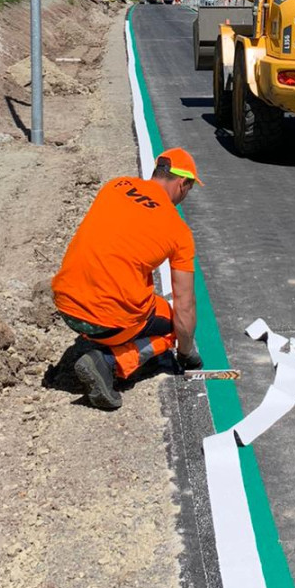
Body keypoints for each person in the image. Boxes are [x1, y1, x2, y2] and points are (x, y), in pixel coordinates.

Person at [51, 148, 203, 411]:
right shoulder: (179, 232)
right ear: (182, 183)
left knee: (130, 292)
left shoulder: (116, 186)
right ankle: (110, 361)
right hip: (106, 320)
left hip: (66, 305)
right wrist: (186, 352)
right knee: (174, 325)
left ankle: (99, 339)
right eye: (189, 189)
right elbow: (185, 307)